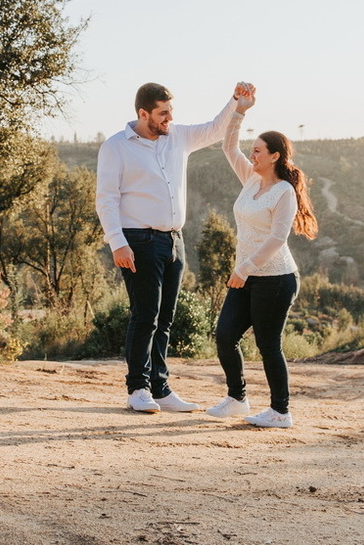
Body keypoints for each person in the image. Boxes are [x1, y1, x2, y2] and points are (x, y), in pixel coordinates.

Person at [96, 81, 248, 413]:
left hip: (174, 241)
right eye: (163, 113)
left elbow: (214, 129)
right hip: (138, 240)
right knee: (145, 316)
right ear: (143, 113)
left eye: (170, 111)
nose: (170, 118)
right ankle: (138, 388)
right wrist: (117, 243)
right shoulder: (116, 147)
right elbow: (106, 199)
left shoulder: (178, 137)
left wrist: (236, 102)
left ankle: (160, 389)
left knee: (165, 319)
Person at [205, 85, 318, 428]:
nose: (251, 155)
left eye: (257, 151)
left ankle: (280, 411)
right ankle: (237, 399)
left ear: (274, 156)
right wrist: (240, 110)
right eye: (252, 150)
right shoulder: (250, 180)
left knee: (269, 345)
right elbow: (228, 146)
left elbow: (277, 238)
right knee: (225, 335)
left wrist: (245, 268)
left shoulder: (284, 192)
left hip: (276, 279)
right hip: (246, 275)